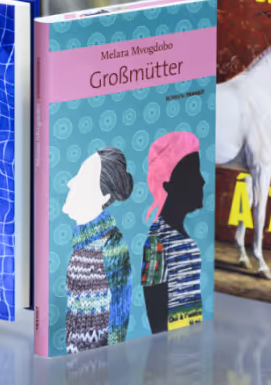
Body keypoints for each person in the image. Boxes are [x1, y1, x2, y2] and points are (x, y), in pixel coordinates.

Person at [63, 147, 133, 354]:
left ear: (104, 197)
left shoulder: (112, 243)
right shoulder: (81, 241)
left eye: (82, 179)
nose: (71, 183)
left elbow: (120, 312)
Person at [141, 132, 205, 333]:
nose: (202, 181)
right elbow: (156, 318)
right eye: (193, 173)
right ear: (169, 184)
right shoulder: (156, 242)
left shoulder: (182, 236)